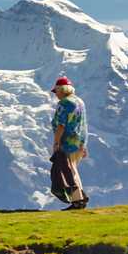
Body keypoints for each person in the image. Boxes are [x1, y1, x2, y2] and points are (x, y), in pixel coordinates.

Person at [50, 77, 90, 209]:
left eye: (56, 92)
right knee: (72, 168)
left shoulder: (64, 103)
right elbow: (82, 123)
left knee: (69, 170)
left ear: (62, 90)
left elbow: (61, 125)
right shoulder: (80, 101)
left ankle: (77, 201)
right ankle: (80, 195)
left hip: (68, 141)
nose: (55, 95)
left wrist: (56, 143)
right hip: (81, 141)